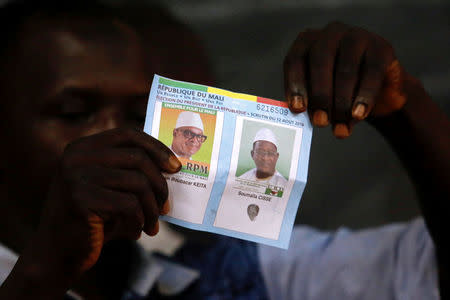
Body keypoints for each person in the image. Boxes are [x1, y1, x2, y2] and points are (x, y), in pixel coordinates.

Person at [0, 2, 448, 300]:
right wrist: (43, 276)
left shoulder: (227, 273)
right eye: (73, 113)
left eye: (141, 114)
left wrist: (403, 107)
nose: (117, 137)